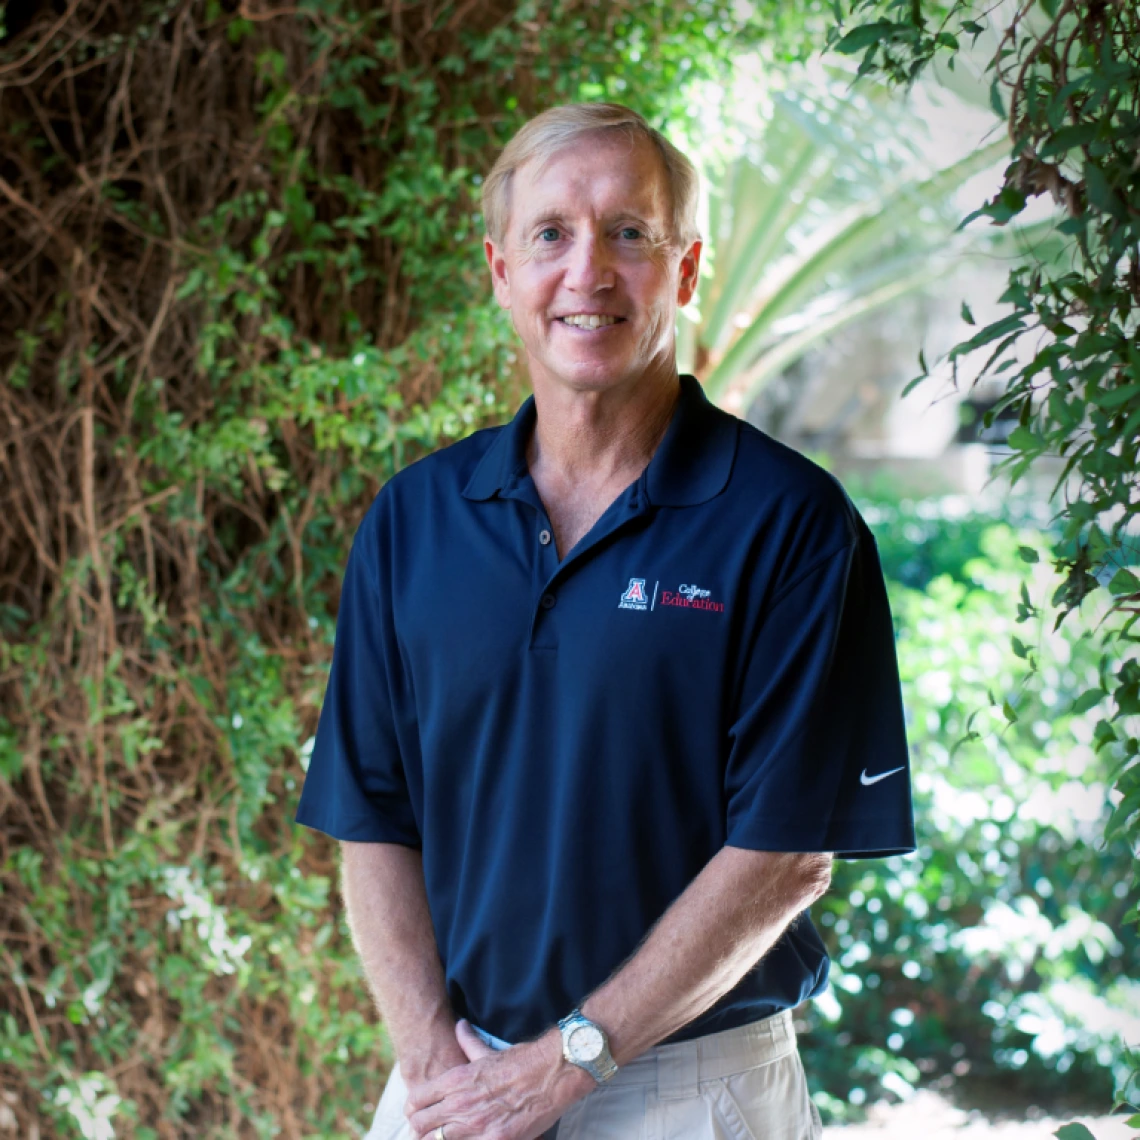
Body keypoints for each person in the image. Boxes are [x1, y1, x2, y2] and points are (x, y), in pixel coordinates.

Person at [295, 102, 915, 1140]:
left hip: (688, 1092)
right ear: (501, 271)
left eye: (629, 232)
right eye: (551, 235)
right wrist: (433, 1062)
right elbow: (371, 815)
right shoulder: (414, 520)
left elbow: (787, 854)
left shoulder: (791, 526)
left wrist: (572, 1060)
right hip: (459, 1077)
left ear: (684, 268)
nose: (587, 272)